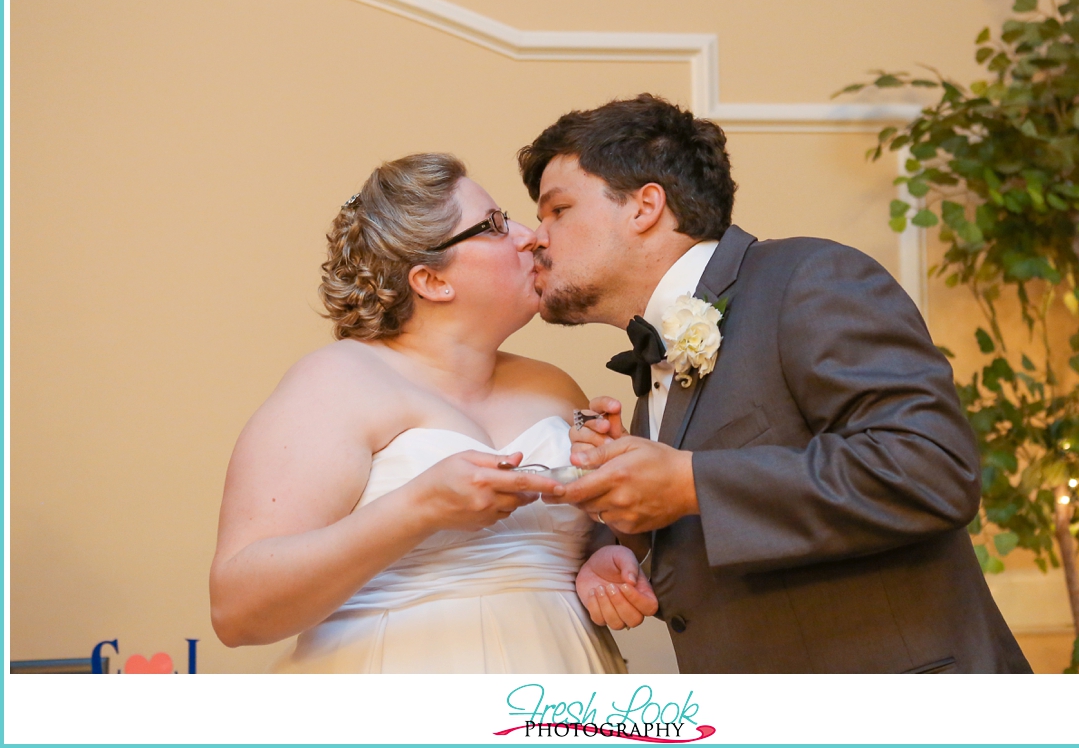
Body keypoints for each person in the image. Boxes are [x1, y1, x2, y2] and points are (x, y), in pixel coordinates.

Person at [518, 94, 1031, 674]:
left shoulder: (809, 278)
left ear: (645, 207)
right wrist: (629, 547)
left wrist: (688, 483)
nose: (536, 237)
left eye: (557, 210)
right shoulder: (654, 364)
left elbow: (930, 468)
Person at [210, 155, 633, 673]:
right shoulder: (337, 381)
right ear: (432, 280)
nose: (530, 237)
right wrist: (420, 507)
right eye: (496, 224)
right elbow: (237, 611)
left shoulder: (554, 385)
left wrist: (610, 551)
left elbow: (581, 539)